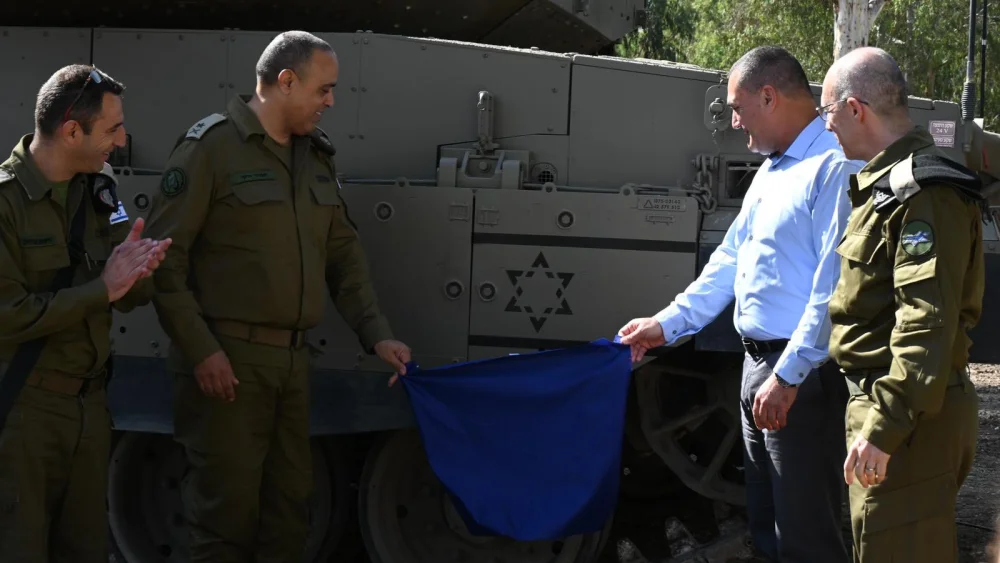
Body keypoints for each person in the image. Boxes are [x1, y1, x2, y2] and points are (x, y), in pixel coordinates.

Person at [142, 30, 412, 562]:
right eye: (323, 89)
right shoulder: (210, 149)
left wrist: (377, 334)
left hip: (292, 365)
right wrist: (202, 351)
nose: (331, 102)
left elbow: (343, 255)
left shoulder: (314, 156)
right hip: (227, 365)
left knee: (289, 519)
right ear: (285, 81)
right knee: (223, 522)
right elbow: (162, 263)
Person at [618, 46, 861, 563]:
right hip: (759, 369)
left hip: (797, 379)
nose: (733, 122)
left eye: (737, 107)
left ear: (769, 97)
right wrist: (666, 324)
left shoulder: (833, 167)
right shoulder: (775, 170)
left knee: (806, 538)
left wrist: (788, 377)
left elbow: (832, 289)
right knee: (768, 530)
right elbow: (730, 259)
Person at [0, 64, 171, 562]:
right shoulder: (5, 204)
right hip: (23, 414)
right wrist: (104, 288)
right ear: (72, 131)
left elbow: (128, 293)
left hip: (91, 409)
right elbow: (9, 315)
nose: (121, 140)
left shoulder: (98, 191)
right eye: (112, 129)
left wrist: (139, 270)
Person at [820, 46, 985, 563]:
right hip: (894, 411)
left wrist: (885, 427)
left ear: (854, 108)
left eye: (827, 112)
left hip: (908, 420)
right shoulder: (889, 187)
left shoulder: (923, 193)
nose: (827, 126)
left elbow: (925, 323)